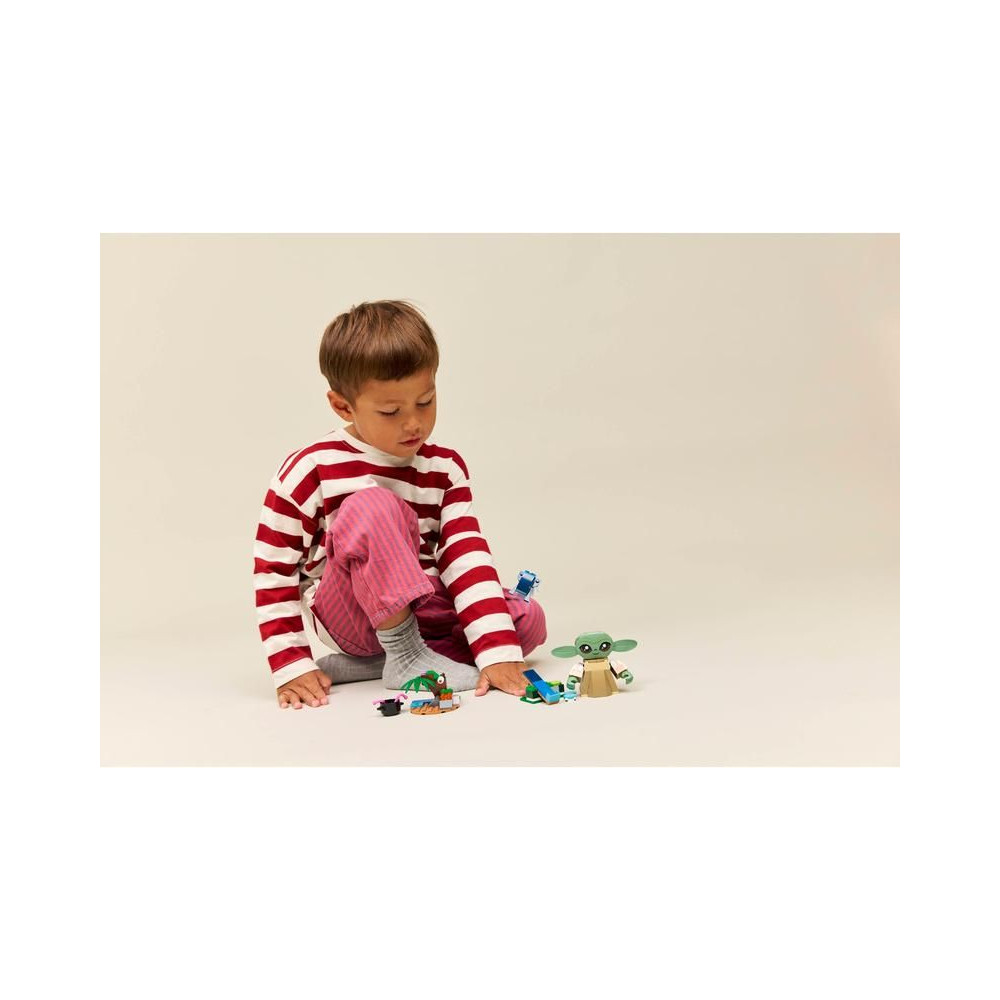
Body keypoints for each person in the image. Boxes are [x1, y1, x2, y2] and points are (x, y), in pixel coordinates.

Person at [252, 300, 547, 709]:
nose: (414, 423)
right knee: (374, 507)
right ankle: (403, 654)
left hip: (423, 607)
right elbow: (274, 569)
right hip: (351, 616)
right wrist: (291, 664)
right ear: (343, 406)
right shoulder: (310, 469)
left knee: (525, 622)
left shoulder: (445, 469)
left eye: (425, 402)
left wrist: (498, 652)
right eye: (391, 411)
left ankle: (381, 663)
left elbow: (465, 557)